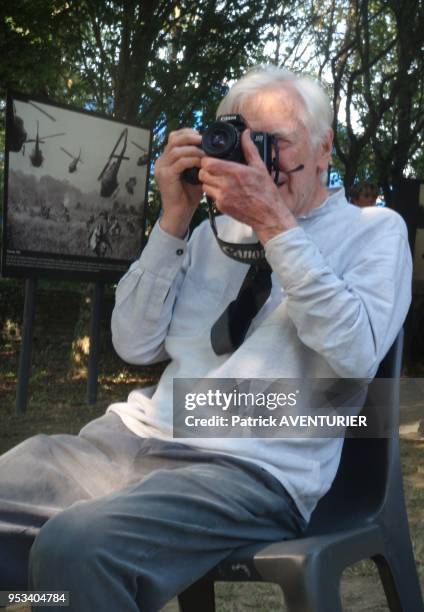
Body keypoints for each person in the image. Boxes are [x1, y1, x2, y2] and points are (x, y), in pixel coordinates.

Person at [0, 66, 412, 611]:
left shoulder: (374, 232)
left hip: (251, 468)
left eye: (274, 145)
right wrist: (175, 216)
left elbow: (354, 354)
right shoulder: (207, 235)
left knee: (78, 547)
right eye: (244, 144)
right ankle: (55, 599)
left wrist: (272, 223)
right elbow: (135, 344)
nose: (259, 162)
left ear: (323, 147)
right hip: (132, 439)